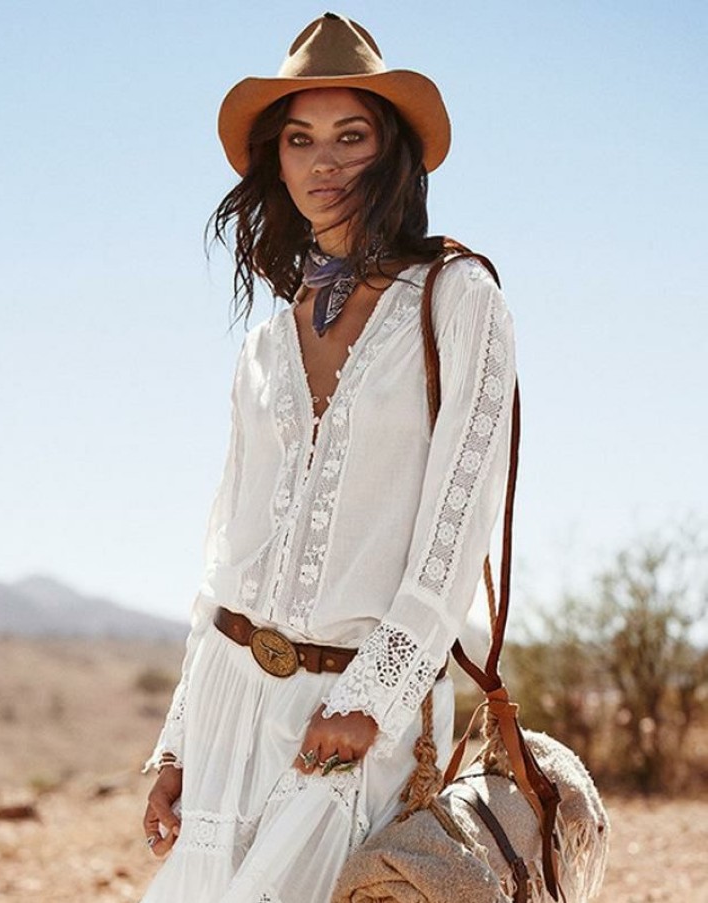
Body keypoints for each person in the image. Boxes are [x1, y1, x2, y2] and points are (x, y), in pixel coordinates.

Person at [139, 12, 516, 903]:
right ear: (275, 160)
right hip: (232, 697)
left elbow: (459, 517)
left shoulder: (458, 299)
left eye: (352, 136)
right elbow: (225, 551)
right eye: (300, 139)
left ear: (394, 154)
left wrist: (375, 696)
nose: (324, 162)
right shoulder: (263, 345)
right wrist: (176, 740)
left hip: (350, 711)